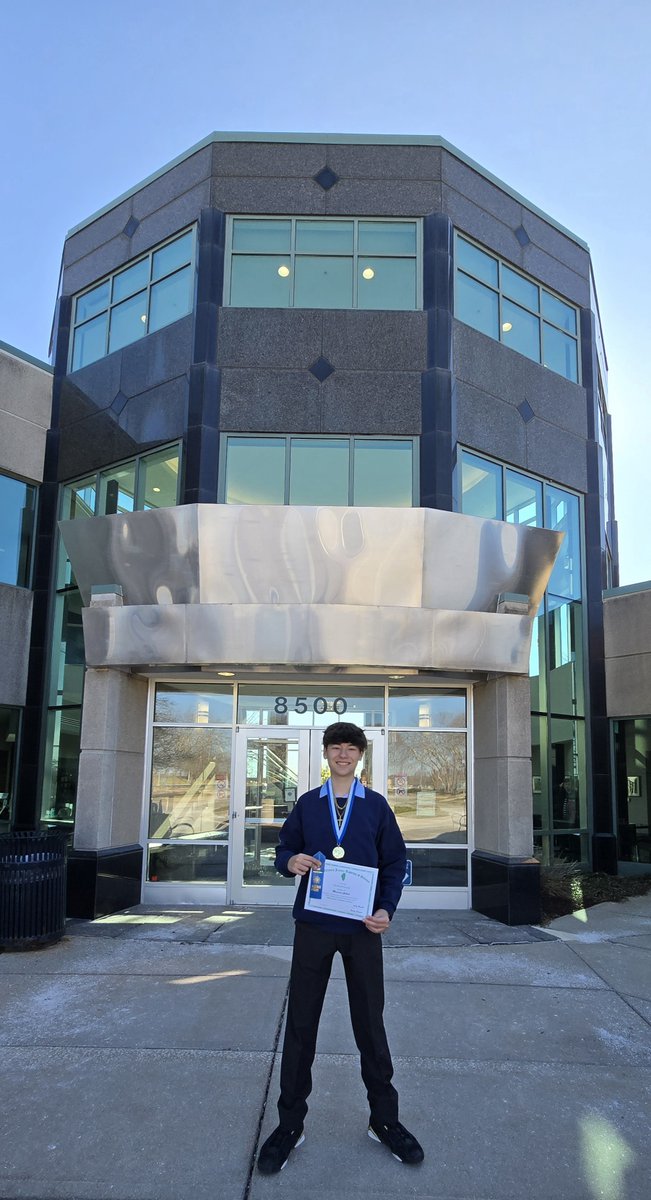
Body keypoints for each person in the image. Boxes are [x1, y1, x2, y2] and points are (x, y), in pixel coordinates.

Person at [257, 721, 424, 1174]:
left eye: (351, 748)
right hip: (314, 926)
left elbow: (395, 862)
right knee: (302, 1024)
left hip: (362, 929)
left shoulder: (376, 806)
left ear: (360, 756)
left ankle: (384, 1121)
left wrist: (386, 909)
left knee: (370, 1021)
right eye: (336, 747)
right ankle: (290, 1124)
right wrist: (288, 860)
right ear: (326, 754)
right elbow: (284, 846)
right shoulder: (309, 803)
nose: (343, 754)